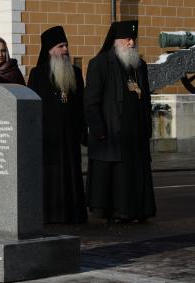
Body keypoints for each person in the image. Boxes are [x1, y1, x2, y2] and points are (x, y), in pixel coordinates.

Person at [84, 20, 156, 223]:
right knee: (119, 178)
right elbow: (91, 102)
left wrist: (147, 128)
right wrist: (99, 131)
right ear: (116, 41)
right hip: (112, 134)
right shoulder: (99, 64)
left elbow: (146, 99)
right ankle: (118, 212)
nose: (131, 43)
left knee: (134, 174)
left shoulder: (139, 66)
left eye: (133, 39)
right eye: (127, 39)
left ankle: (138, 210)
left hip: (136, 135)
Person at [27, 26, 87, 224]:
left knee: (72, 173)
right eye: (61, 46)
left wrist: (82, 131)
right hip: (48, 136)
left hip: (70, 136)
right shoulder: (38, 74)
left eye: (66, 45)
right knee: (50, 176)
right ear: (50, 49)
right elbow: (32, 108)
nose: (65, 50)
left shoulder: (76, 73)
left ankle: (73, 213)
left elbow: (81, 105)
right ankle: (51, 215)